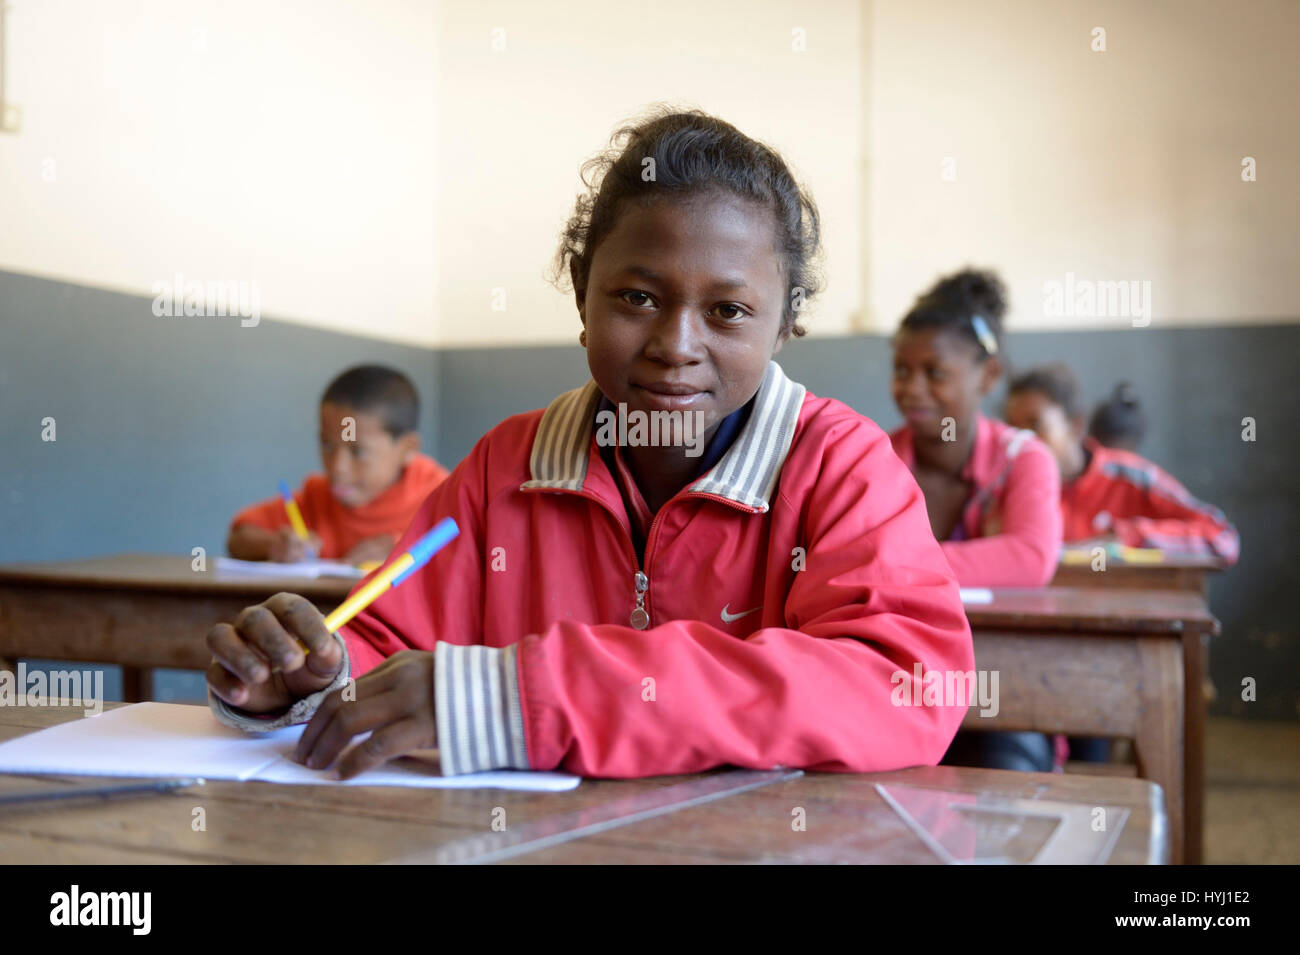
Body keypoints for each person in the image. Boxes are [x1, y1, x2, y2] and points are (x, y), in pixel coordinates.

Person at [204, 108, 973, 780]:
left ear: (786, 321)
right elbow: (389, 640)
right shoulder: (506, 469)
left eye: (728, 309)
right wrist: (314, 675)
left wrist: (531, 699)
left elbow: (905, 682)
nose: (677, 344)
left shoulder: (841, 466)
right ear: (581, 292)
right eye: (637, 297)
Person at [888, 267, 1063, 773]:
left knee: (1003, 780)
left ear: (988, 376)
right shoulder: (874, 457)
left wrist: (897, 565)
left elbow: (1029, 560)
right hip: (898, 674)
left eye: (934, 373)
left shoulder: (1023, 459)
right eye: (902, 370)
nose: (912, 389)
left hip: (1005, 684)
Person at [1005, 363, 1239, 562]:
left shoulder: (1132, 477)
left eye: (1035, 425)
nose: (1022, 440)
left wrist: (1125, 539)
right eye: (1013, 428)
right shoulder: (1005, 489)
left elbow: (1223, 540)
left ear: (1075, 424)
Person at [227, 365, 449, 565]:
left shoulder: (443, 496)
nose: (337, 467)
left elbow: (470, 552)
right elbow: (239, 536)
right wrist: (273, 546)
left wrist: (409, 550)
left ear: (407, 448)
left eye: (357, 451)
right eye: (327, 445)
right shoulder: (319, 496)